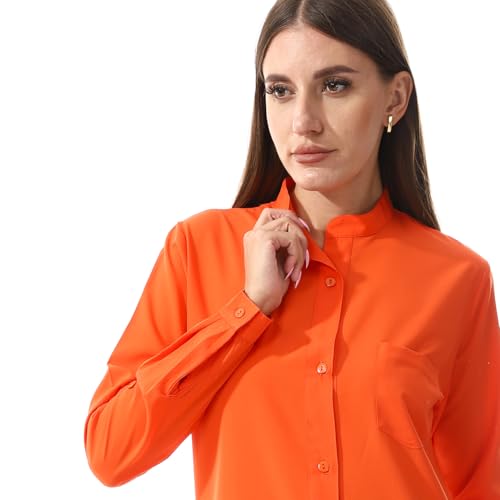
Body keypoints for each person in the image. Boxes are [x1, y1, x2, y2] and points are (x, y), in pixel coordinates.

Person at [84, 0, 500, 498]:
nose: (303, 121)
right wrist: (247, 310)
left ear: (396, 97)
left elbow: (481, 483)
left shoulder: (457, 278)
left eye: (335, 85)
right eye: (280, 90)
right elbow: (110, 452)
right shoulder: (197, 249)